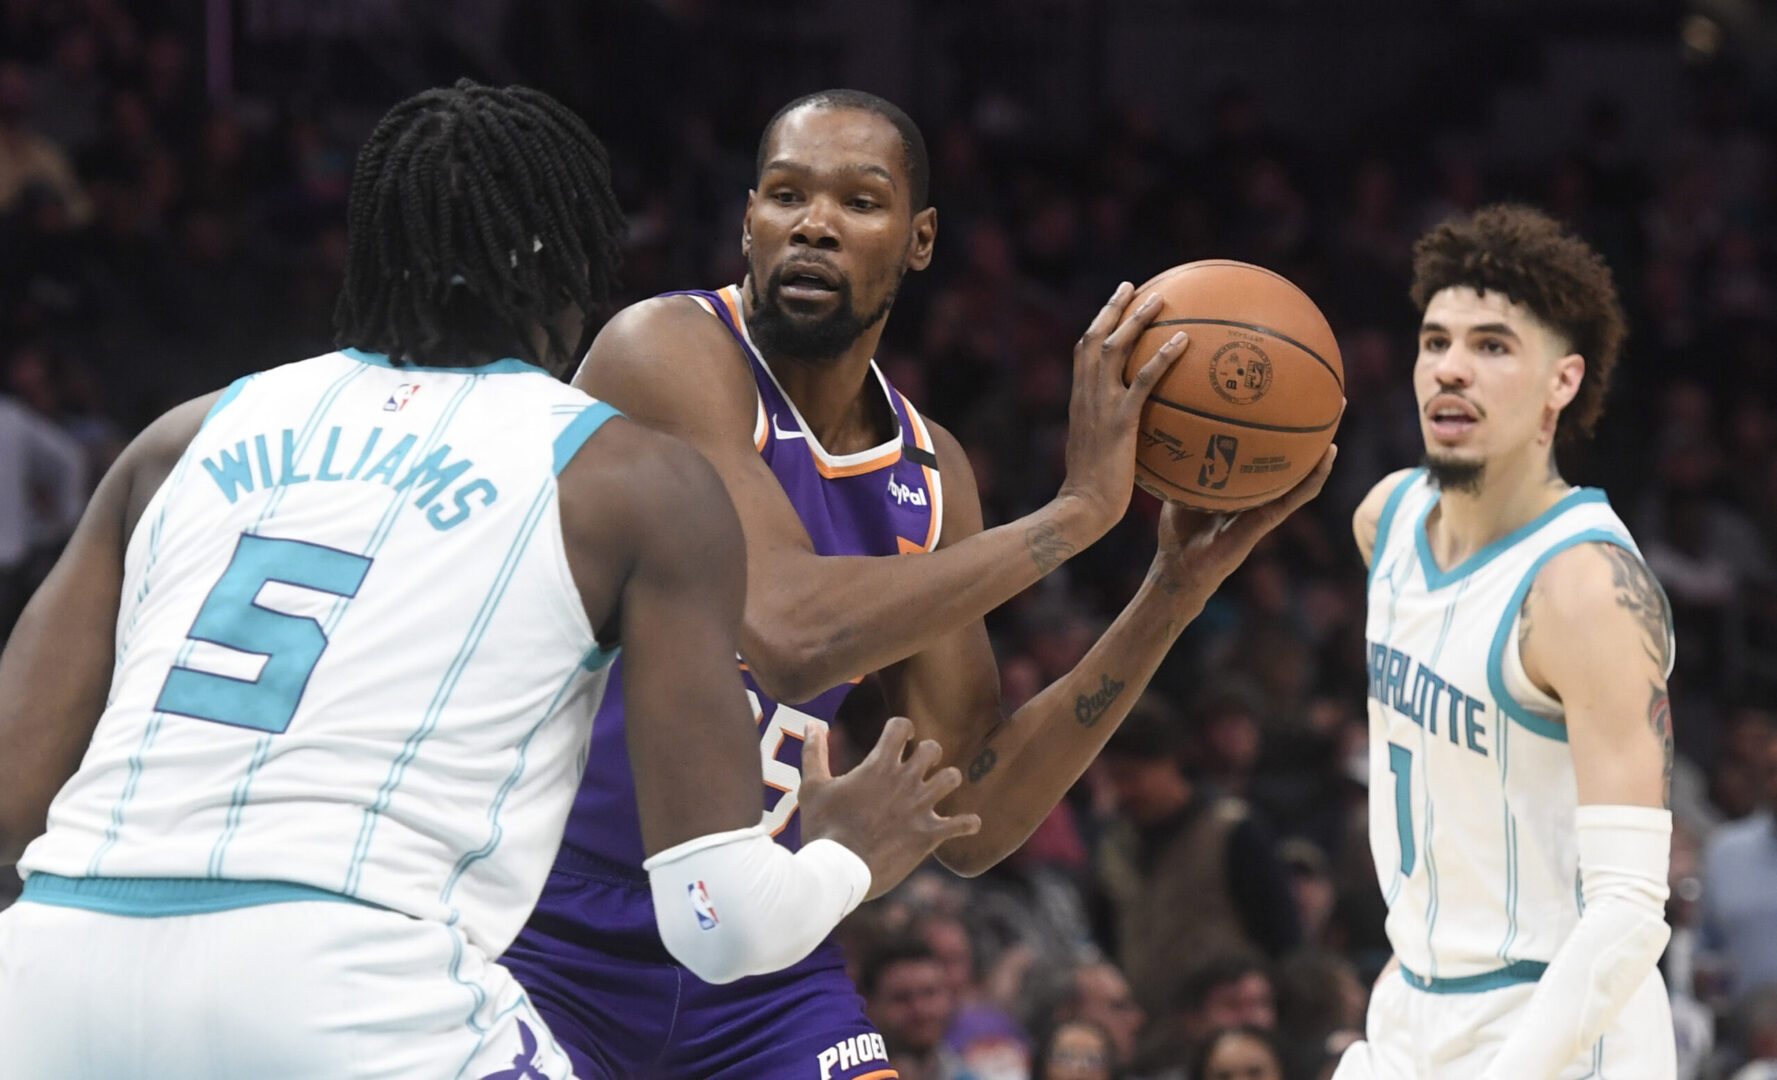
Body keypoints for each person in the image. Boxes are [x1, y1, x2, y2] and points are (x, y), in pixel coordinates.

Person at [0, 81, 973, 1079]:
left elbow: (13, 794)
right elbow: (720, 926)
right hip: (337, 984)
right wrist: (849, 850)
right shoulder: (621, 471)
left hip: (50, 969)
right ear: (575, 265)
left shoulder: (185, 435)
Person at [502, 87, 1335, 1080]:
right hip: (550, 931)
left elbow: (972, 816)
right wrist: (1073, 518)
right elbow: (786, 628)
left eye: (859, 201)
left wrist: (1168, 594)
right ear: (747, 222)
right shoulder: (665, 352)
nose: (813, 222)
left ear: (919, 238)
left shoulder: (930, 473)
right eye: (784, 194)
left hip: (765, 956)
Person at [1337, 204, 1677, 1079]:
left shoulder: (1585, 592)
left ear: (1561, 383)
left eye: (1492, 347)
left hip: (1562, 1026)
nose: (1451, 369)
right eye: (1435, 341)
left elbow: (1630, 912)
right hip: (1412, 1001)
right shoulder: (1386, 519)